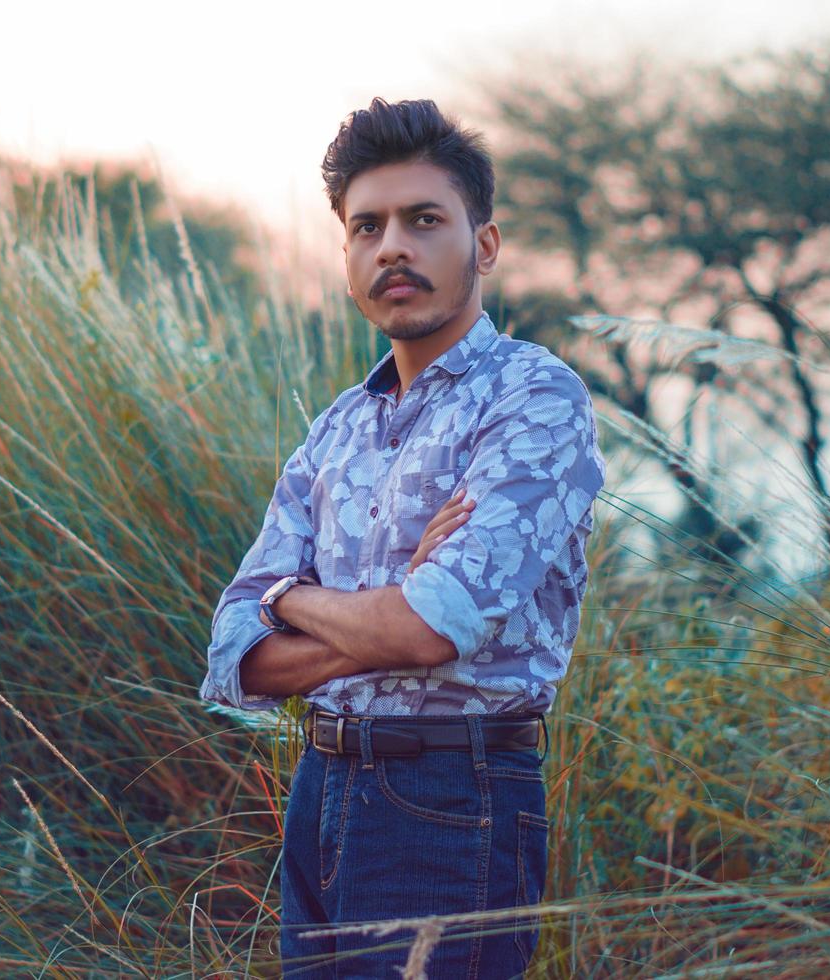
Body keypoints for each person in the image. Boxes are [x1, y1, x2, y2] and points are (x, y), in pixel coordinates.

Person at [199, 97, 606, 978]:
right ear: (347, 255)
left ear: (483, 244)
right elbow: (234, 654)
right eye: (366, 227)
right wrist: (347, 619)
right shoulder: (337, 429)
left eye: (424, 220)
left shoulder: (534, 399)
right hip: (321, 791)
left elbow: (431, 627)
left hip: (452, 795)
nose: (393, 247)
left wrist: (292, 601)